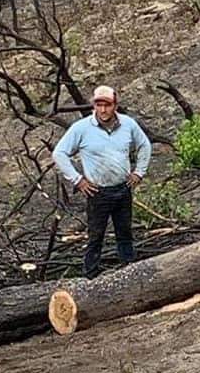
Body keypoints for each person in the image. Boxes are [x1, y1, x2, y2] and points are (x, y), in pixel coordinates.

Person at [53, 85, 152, 278]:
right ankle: (91, 276)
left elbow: (144, 145)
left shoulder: (128, 124)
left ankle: (129, 272)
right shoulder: (81, 128)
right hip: (97, 192)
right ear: (94, 106)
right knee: (95, 236)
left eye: (107, 105)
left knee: (125, 233)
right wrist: (78, 180)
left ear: (115, 105)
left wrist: (139, 172)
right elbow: (59, 153)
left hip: (123, 188)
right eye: (99, 105)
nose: (103, 110)